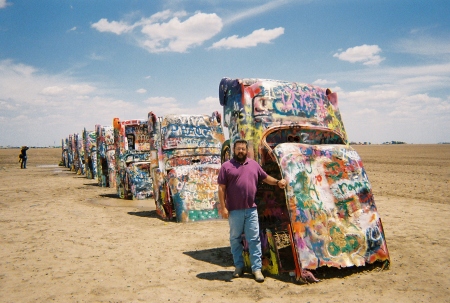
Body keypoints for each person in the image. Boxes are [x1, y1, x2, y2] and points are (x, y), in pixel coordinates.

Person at [217, 139, 287, 282]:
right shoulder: (226, 166)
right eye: (238, 149)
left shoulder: (254, 165)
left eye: (243, 148)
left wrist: (278, 182)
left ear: (247, 150)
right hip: (234, 211)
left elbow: (265, 177)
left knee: (254, 239)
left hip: (251, 210)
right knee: (235, 239)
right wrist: (223, 207)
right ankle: (238, 267)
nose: (241, 151)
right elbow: (221, 188)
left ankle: (256, 269)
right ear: (234, 150)